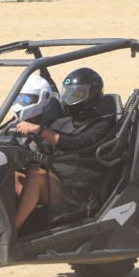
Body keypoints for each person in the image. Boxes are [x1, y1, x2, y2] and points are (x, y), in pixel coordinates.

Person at [14, 68, 112, 231]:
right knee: (8, 175)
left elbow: (74, 143)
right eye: (69, 93)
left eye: (79, 93)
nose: (72, 98)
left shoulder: (101, 125)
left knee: (35, 176)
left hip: (78, 190)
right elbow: (43, 149)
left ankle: (11, 232)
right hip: (57, 181)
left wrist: (39, 130)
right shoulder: (61, 123)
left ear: (93, 94)